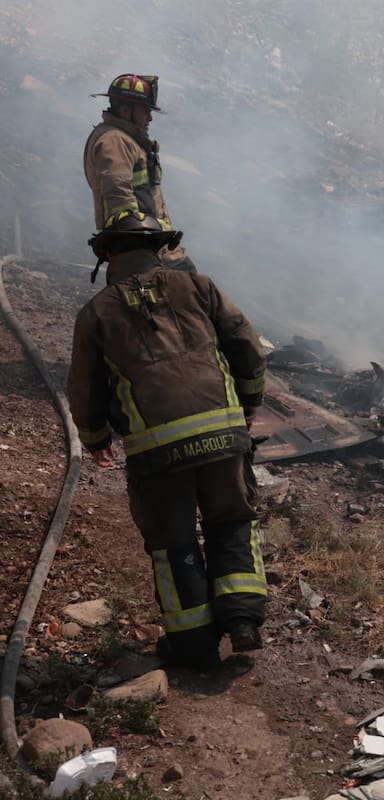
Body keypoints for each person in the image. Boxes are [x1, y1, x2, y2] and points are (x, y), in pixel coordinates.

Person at [67, 213, 267, 672]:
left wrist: (95, 437)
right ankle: (242, 620)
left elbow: (84, 386)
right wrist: (249, 401)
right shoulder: (199, 287)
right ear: (159, 248)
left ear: (107, 254)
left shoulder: (97, 312)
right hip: (222, 434)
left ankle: (194, 645)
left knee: (173, 542)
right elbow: (247, 346)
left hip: (157, 450)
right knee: (232, 521)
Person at [84, 74, 196, 273]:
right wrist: (139, 249)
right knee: (195, 288)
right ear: (126, 110)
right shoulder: (115, 140)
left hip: (155, 245)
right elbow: (118, 194)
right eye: (145, 111)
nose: (150, 118)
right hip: (146, 247)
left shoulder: (127, 140)